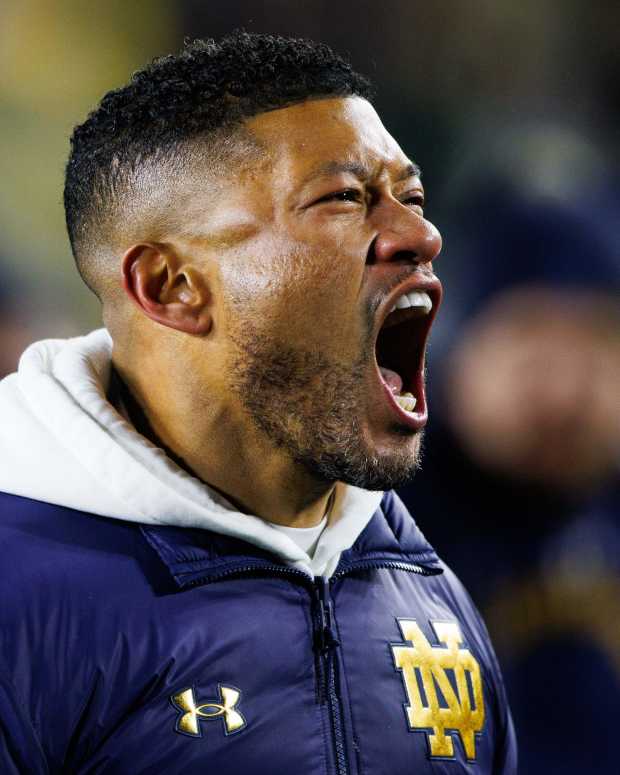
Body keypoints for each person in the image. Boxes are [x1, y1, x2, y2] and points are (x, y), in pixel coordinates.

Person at [0, 32, 516, 774]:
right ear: (172, 287)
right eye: (344, 198)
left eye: (411, 196)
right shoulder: (21, 599)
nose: (419, 234)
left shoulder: (426, 590)